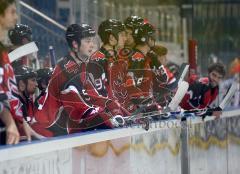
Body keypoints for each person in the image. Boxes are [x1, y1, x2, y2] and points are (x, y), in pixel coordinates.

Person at [34, 23, 124, 137]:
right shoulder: (67, 68)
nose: (92, 45)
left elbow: (93, 96)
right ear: (75, 44)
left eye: (92, 41)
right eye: (87, 41)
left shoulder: (80, 66)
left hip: (60, 130)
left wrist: (114, 107)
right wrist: (107, 117)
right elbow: (79, 109)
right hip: (46, 132)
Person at [0, 0, 21, 144]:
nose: (17, 17)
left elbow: (8, 90)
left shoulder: (3, 50)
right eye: (12, 12)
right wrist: (10, 123)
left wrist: (20, 122)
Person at [90, 19, 126, 97]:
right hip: (107, 107)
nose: (125, 38)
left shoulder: (118, 58)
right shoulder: (98, 59)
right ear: (112, 37)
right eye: (122, 35)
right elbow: (98, 92)